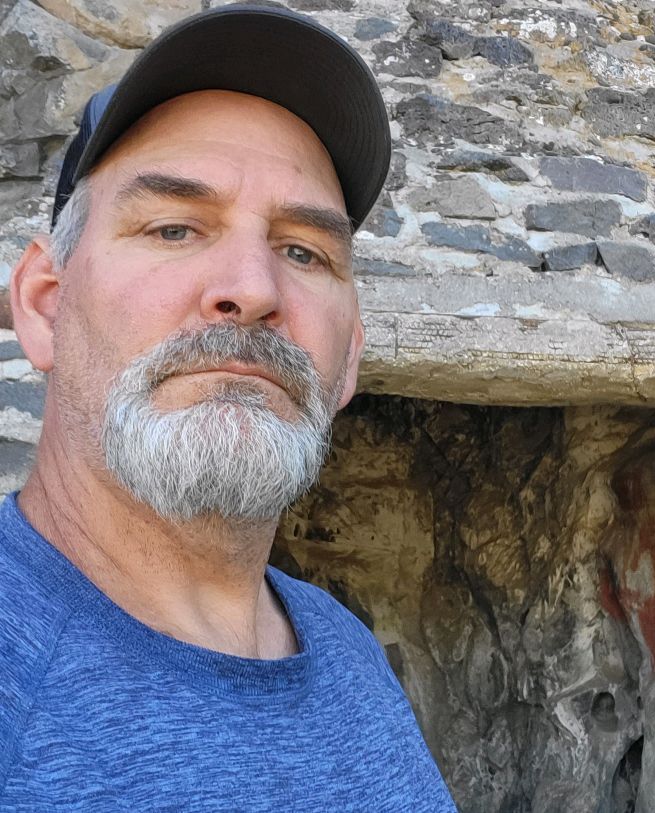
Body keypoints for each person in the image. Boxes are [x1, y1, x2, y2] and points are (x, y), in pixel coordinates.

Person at [0, 5, 457, 811]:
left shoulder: (345, 648)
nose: (251, 289)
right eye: (175, 228)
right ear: (44, 304)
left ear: (347, 358)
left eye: (303, 251)